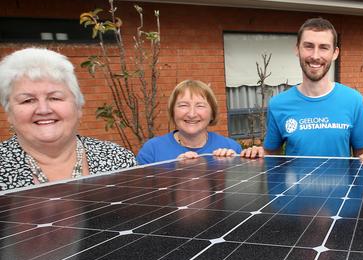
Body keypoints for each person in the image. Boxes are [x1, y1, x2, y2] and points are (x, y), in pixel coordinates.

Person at [0, 48, 137, 191]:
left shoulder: (118, 159)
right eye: (27, 100)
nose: (43, 109)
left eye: (55, 98)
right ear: (9, 112)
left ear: (78, 107)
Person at [241, 17, 363, 159]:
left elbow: (362, 154)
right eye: (309, 46)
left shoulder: (353, 101)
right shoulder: (278, 104)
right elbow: (271, 156)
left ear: (335, 53)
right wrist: (257, 153)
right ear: (297, 49)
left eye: (323, 47)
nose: (315, 56)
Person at [137, 79, 241, 164]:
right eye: (183, 105)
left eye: (200, 106)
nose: (192, 114)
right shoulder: (152, 151)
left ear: (212, 113)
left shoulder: (231, 147)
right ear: (172, 111)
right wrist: (174, 173)